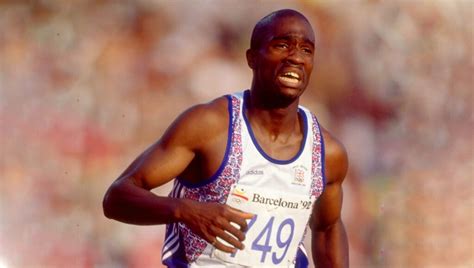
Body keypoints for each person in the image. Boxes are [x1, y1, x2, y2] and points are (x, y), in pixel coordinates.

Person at [103, 9, 349, 268]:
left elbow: (327, 227)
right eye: (282, 45)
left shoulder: (327, 153)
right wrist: (185, 211)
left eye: (306, 50)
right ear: (252, 58)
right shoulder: (210, 126)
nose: (296, 58)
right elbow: (117, 197)